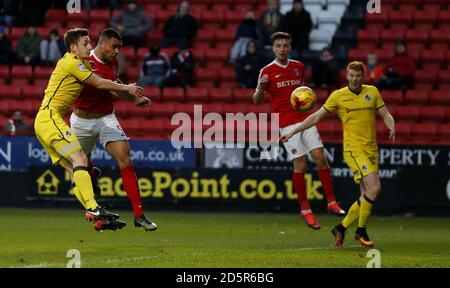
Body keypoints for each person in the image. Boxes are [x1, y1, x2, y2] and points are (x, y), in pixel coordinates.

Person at [34, 28, 147, 231]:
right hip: (50, 117)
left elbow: (109, 79)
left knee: (74, 170)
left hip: (47, 122)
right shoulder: (71, 62)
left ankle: (96, 214)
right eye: (85, 44)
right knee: (81, 160)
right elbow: (100, 83)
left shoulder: (85, 63)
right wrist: (128, 88)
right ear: (73, 47)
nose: (89, 46)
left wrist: (131, 95)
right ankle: (94, 208)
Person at [280, 61, 396, 247]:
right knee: (375, 188)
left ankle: (341, 228)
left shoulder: (372, 92)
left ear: (363, 76)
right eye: (351, 75)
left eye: (358, 76)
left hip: (372, 149)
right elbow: (316, 116)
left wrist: (391, 123)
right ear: (347, 76)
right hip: (353, 149)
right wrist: (294, 131)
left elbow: (385, 113)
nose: (355, 79)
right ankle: (361, 231)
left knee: (366, 194)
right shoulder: (338, 96)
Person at [253, 32, 345, 230]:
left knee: (320, 157)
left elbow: (301, 95)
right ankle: (305, 210)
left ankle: (331, 202)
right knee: (300, 164)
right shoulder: (266, 71)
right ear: (274, 48)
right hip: (286, 123)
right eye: (278, 46)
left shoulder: (299, 67)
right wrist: (261, 88)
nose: (282, 49)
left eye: (285, 45)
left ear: (290, 46)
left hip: (305, 119)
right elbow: (256, 100)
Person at [71, 28, 157, 232]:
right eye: (114, 46)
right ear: (101, 44)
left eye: (119, 47)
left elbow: (115, 85)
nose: (117, 51)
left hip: (106, 119)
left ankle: (139, 215)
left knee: (125, 160)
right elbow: (105, 86)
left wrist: (135, 98)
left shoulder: (113, 63)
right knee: (81, 170)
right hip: (81, 122)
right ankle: (98, 217)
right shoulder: (86, 62)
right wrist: (129, 91)